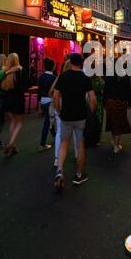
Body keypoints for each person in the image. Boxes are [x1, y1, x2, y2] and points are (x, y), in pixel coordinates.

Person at [53, 53, 96, 190]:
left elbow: (55, 95)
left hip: (66, 115)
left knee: (64, 143)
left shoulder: (63, 76)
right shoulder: (85, 78)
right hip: (80, 116)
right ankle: (78, 175)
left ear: (70, 62)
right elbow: (92, 98)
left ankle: (59, 171)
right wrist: (92, 111)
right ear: (81, 63)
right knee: (80, 145)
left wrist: (59, 110)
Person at [0, 53, 30, 157]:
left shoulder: (5, 72)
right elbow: (27, 84)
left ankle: (13, 147)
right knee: (20, 122)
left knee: (12, 121)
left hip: (7, 99)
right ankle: (11, 143)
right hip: (17, 99)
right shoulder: (21, 71)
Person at [103, 65, 131, 153]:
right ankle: (116, 145)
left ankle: (114, 142)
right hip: (121, 103)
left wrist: (104, 102)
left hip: (110, 102)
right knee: (119, 123)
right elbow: (128, 91)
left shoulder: (109, 75)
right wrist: (130, 103)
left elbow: (105, 90)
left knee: (112, 122)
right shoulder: (125, 76)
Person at [38, 57, 56, 151]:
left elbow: (39, 90)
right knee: (48, 122)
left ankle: (55, 135)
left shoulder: (41, 76)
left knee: (49, 120)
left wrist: (39, 101)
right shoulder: (53, 78)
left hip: (43, 100)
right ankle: (42, 144)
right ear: (53, 67)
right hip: (50, 101)